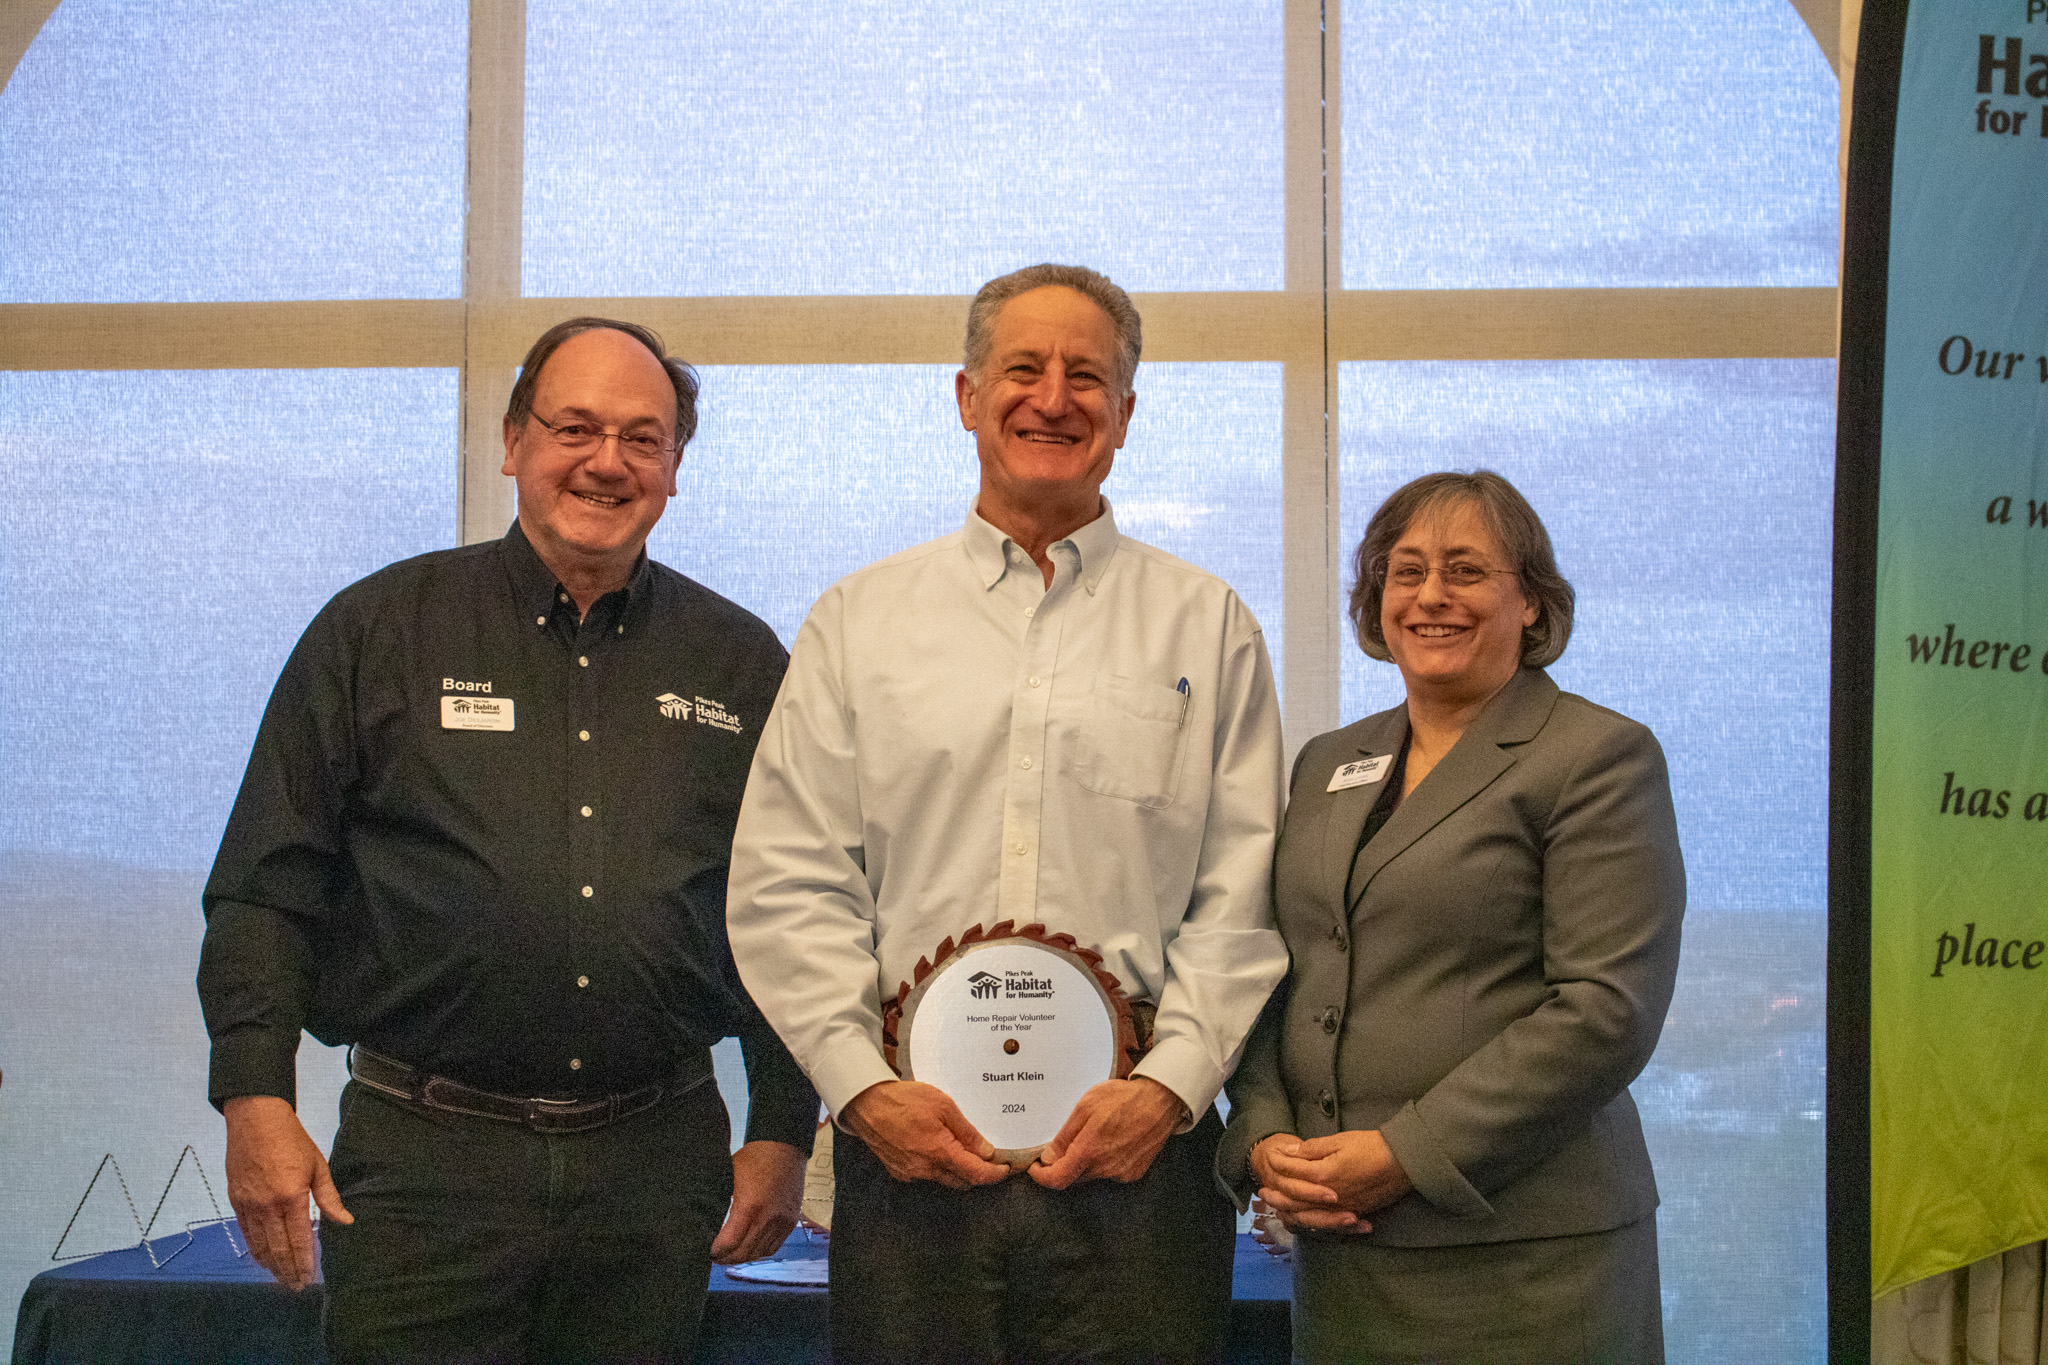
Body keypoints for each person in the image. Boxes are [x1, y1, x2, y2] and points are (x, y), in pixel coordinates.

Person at [197, 317, 818, 1363]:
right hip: (425, 1166)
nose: (607, 461)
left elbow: (785, 909)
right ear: (512, 441)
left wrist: (782, 1126)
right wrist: (254, 1097)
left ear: (674, 467)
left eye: (642, 437)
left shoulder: (739, 663)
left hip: (651, 1171)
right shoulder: (379, 630)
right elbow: (266, 887)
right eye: (575, 427)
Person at [726, 263, 1289, 1364]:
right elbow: (791, 882)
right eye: (1023, 368)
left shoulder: (1206, 625)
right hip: (909, 1163)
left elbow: (1243, 893)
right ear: (967, 396)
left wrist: (1168, 1090)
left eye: (1088, 376)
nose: (1053, 398)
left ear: (1125, 411)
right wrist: (860, 1089)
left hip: (1141, 1167)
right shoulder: (858, 623)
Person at [1218, 471, 1685, 1364]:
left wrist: (1405, 1153)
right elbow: (1281, 964)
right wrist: (1265, 1133)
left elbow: (1605, 1009)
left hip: (1526, 1260)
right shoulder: (1327, 763)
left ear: (1532, 601)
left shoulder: (1596, 756)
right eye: (1407, 571)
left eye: (1466, 570)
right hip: (1345, 1255)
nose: (1431, 595)